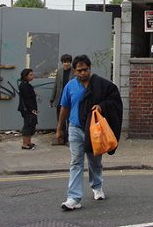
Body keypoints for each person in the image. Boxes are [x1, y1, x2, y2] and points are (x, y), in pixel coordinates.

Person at [56, 54, 123, 211]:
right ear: (74, 71)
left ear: (90, 68)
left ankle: (97, 186)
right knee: (76, 162)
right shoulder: (70, 87)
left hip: (94, 130)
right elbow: (64, 107)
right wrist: (59, 129)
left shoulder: (101, 85)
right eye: (79, 71)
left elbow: (114, 99)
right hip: (74, 128)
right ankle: (73, 198)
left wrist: (101, 106)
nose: (83, 73)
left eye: (85, 70)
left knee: (94, 161)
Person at [50, 54, 74, 145]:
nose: (66, 64)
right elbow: (56, 85)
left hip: (70, 99)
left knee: (70, 120)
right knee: (60, 119)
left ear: (70, 63)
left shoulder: (74, 72)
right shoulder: (59, 72)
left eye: (68, 62)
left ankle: (69, 139)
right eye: (64, 62)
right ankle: (61, 139)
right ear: (62, 63)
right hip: (60, 99)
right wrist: (52, 98)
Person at [17, 68, 38, 150]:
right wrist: (32, 109)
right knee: (28, 125)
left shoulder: (27, 85)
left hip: (29, 108)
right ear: (25, 76)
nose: (32, 76)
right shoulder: (24, 86)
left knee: (31, 124)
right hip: (27, 109)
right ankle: (25, 144)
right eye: (30, 75)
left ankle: (28, 142)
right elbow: (27, 99)